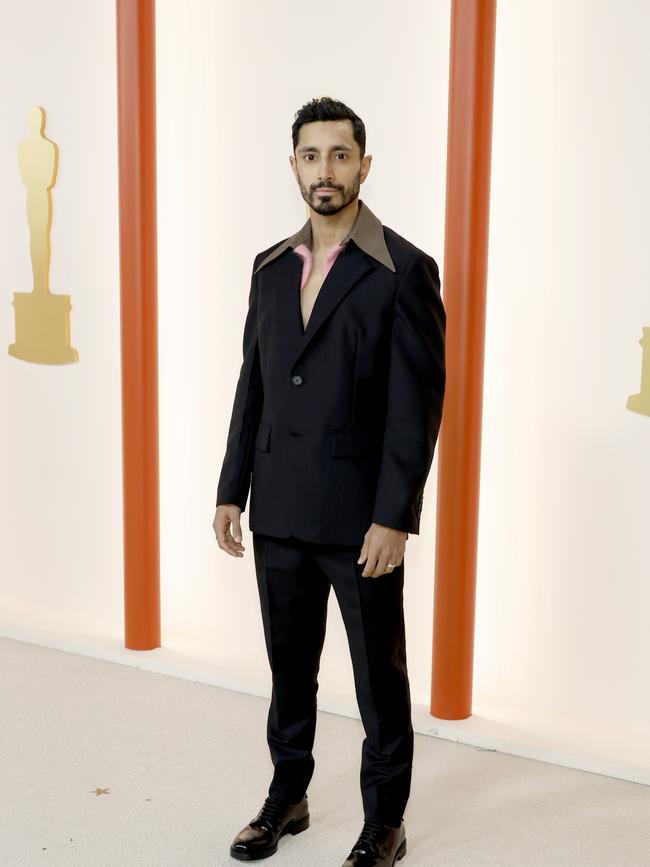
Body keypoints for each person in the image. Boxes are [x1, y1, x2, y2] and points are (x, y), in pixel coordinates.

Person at [213, 96, 446, 866]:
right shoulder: (270, 268)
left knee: (379, 679)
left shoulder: (403, 271)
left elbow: (416, 409)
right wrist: (229, 489)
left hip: (360, 522)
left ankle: (386, 820)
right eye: (311, 156)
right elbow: (254, 385)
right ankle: (288, 795)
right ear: (294, 167)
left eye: (340, 155)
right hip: (277, 507)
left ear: (364, 166)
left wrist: (395, 517)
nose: (325, 170)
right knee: (289, 671)